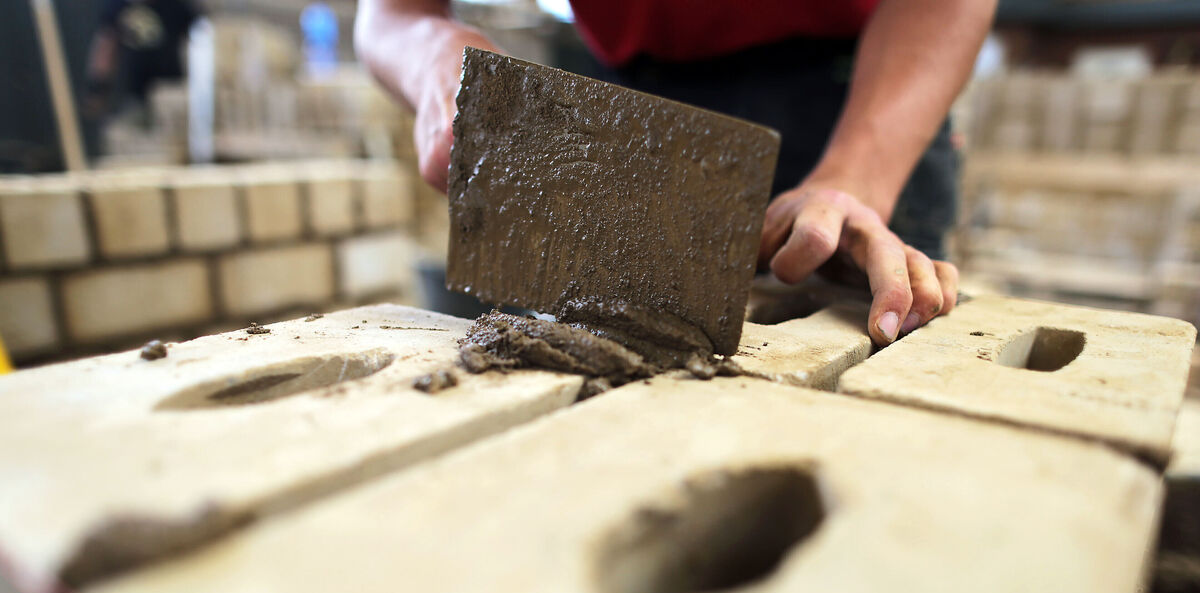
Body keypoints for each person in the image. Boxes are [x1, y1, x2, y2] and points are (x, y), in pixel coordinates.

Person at [355, 0, 996, 346]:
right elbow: (390, 12)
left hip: (864, 85)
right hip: (631, 104)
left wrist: (858, 179)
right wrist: (436, 63)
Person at [87, 0, 202, 121]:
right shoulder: (117, 6)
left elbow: (200, 39)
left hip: (172, 92)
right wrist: (98, 88)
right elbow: (106, 48)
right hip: (135, 96)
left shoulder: (176, 5)